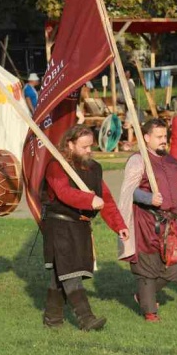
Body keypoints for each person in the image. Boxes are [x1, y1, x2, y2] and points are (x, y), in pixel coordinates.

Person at [40, 124, 128, 331]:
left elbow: (105, 198)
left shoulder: (94, 167)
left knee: (60, 273)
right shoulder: (56, 166)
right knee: (69, 271)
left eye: (91, 146)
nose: (89, 151)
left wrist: (119, 225)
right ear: (70, 144)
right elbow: (63, 192)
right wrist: (88, 200)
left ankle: (52, 319)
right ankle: (86, 318)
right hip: (59, 225)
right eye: (84, 147)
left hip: (80, 226)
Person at [119, 119, 177, 322]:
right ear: (146, 138)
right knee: (147, 269)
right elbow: (129, 192)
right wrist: (148, 198)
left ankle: (143, 296)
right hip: (146, 223)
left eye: (165, 137)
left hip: (171, 224)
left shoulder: (172, 162)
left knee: (173, 269)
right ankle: (150, 312)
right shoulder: (138, 160)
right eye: (159, 137)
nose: (164, 141)